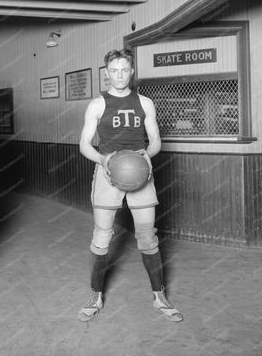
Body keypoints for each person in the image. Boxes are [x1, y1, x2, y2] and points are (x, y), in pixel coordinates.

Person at [77, 49, 183, 323]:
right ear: (107, 72)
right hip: (108, 171)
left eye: (124, 70)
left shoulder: (145, 103)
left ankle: (159, 295)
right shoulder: (97, 105)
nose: (120, 75)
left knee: (147, 236)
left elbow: (156, 140)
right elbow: (84, 144)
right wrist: (103, 159)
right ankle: (95, 294)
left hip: (139, 172)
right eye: (114, 70)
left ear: (132, 71)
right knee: (102, 236)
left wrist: (148, 155)